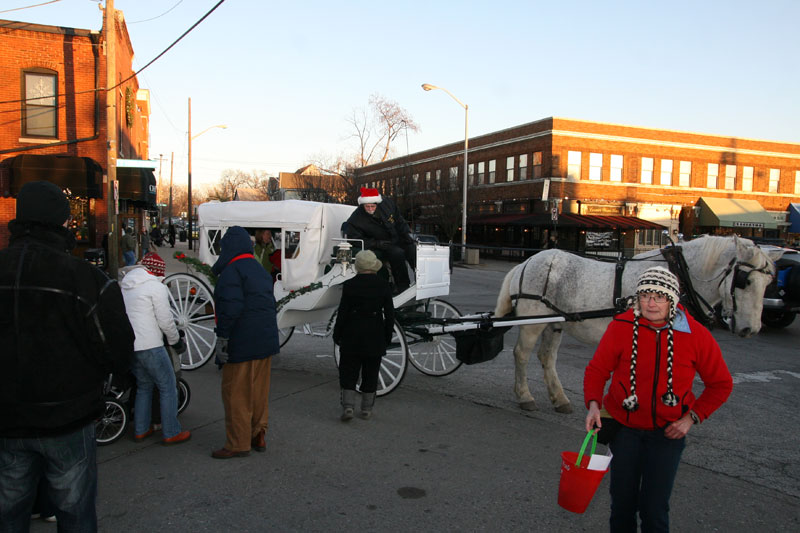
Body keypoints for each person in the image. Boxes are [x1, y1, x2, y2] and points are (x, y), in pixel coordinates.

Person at [0, 181, 134, 531]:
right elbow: (116, 344)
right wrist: (112, 380)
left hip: (7, 417)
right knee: (74, 513)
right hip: (67, 416)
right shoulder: (85, 278)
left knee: (8, 510)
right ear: (62, 222)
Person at [583, 266, 733, 532]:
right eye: (645, 295)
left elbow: (721, 384)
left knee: (654, 510)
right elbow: (597, 369)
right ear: (637, 298)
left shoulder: (696, 335)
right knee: (621, 506)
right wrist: (594, 404)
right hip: (624, 431)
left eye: (659, 296)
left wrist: (691, 418)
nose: (651, 303)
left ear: (672, 300)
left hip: (668, 435)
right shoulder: (621, 326)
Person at [211, 226, 280, 459]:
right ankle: (258, 433)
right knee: (259, 391)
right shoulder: (259, 270)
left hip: (242, 341)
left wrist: (223, 337)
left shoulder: (231, 272)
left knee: (236, 394)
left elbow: (230, 309)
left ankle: (238, 443)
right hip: (265, 340)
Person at [120, 252, 191, 446]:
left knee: (144, 386)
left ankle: (141, 429)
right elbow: (166, 322)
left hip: (131, 346)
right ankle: (171, 431)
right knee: (168, 387)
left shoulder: (126, 285)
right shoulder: (155, 287)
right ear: (158, 272)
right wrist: (176, 341)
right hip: (151, 344)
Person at [332, 250, 395, 421]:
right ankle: (366, 409)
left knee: (349, 371)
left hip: (352, 333)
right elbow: (390, 315)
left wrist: (337, 335)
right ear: (374, 267)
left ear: (358, 266)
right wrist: (387, 337)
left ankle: (348, 407)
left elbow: (343, 313)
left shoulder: (350, 285)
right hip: (374, 334)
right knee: (371, 372)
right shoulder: (383, 285)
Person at [344, 187, 416, 293]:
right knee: (397, 253)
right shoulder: (356, 218)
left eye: (372, 206)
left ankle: (421, 279)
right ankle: (403, 287)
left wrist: (405, 234)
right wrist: (376, 243)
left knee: (412, 249)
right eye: (367, 206)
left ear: (377, 204)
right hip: (381, 243)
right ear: (362, 204)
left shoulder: (387, 205)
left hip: (396, 237)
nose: (370, 208)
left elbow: (399, 219)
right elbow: (353, 238)